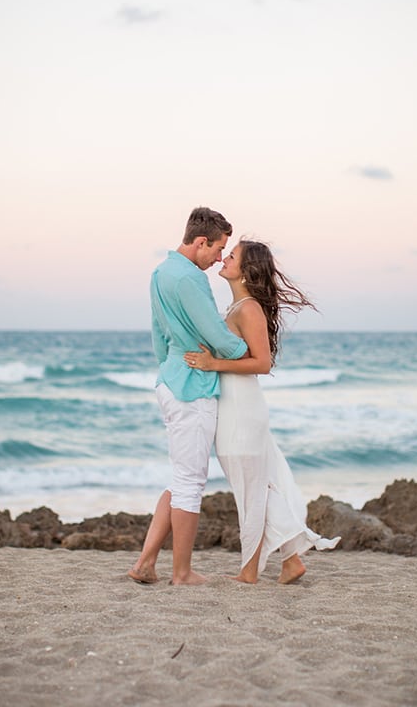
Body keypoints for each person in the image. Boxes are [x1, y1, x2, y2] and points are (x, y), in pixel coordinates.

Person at [183, 239, 340, 584]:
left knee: (251, 489)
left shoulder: (248, 308)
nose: (224, 258)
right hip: (235, 406)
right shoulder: (236, 308)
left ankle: (250, 571)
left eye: (233, 255)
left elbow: (262, 363)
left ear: (247, 269)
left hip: (242, 409)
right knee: (258, 486)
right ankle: (290, 561)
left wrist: (213, 364)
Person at [127, 207, 248, 586]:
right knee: (192, 483)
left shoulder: (161, 272)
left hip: (171, 379)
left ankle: (146, 564)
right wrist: (247, 352)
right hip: (191, 387)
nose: (218, 259)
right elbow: (215, 332)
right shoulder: (190, 279)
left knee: (181, 478)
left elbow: (157, 333)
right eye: (218, 249)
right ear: (200, 242)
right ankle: (181, 573)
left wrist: (170, 367)